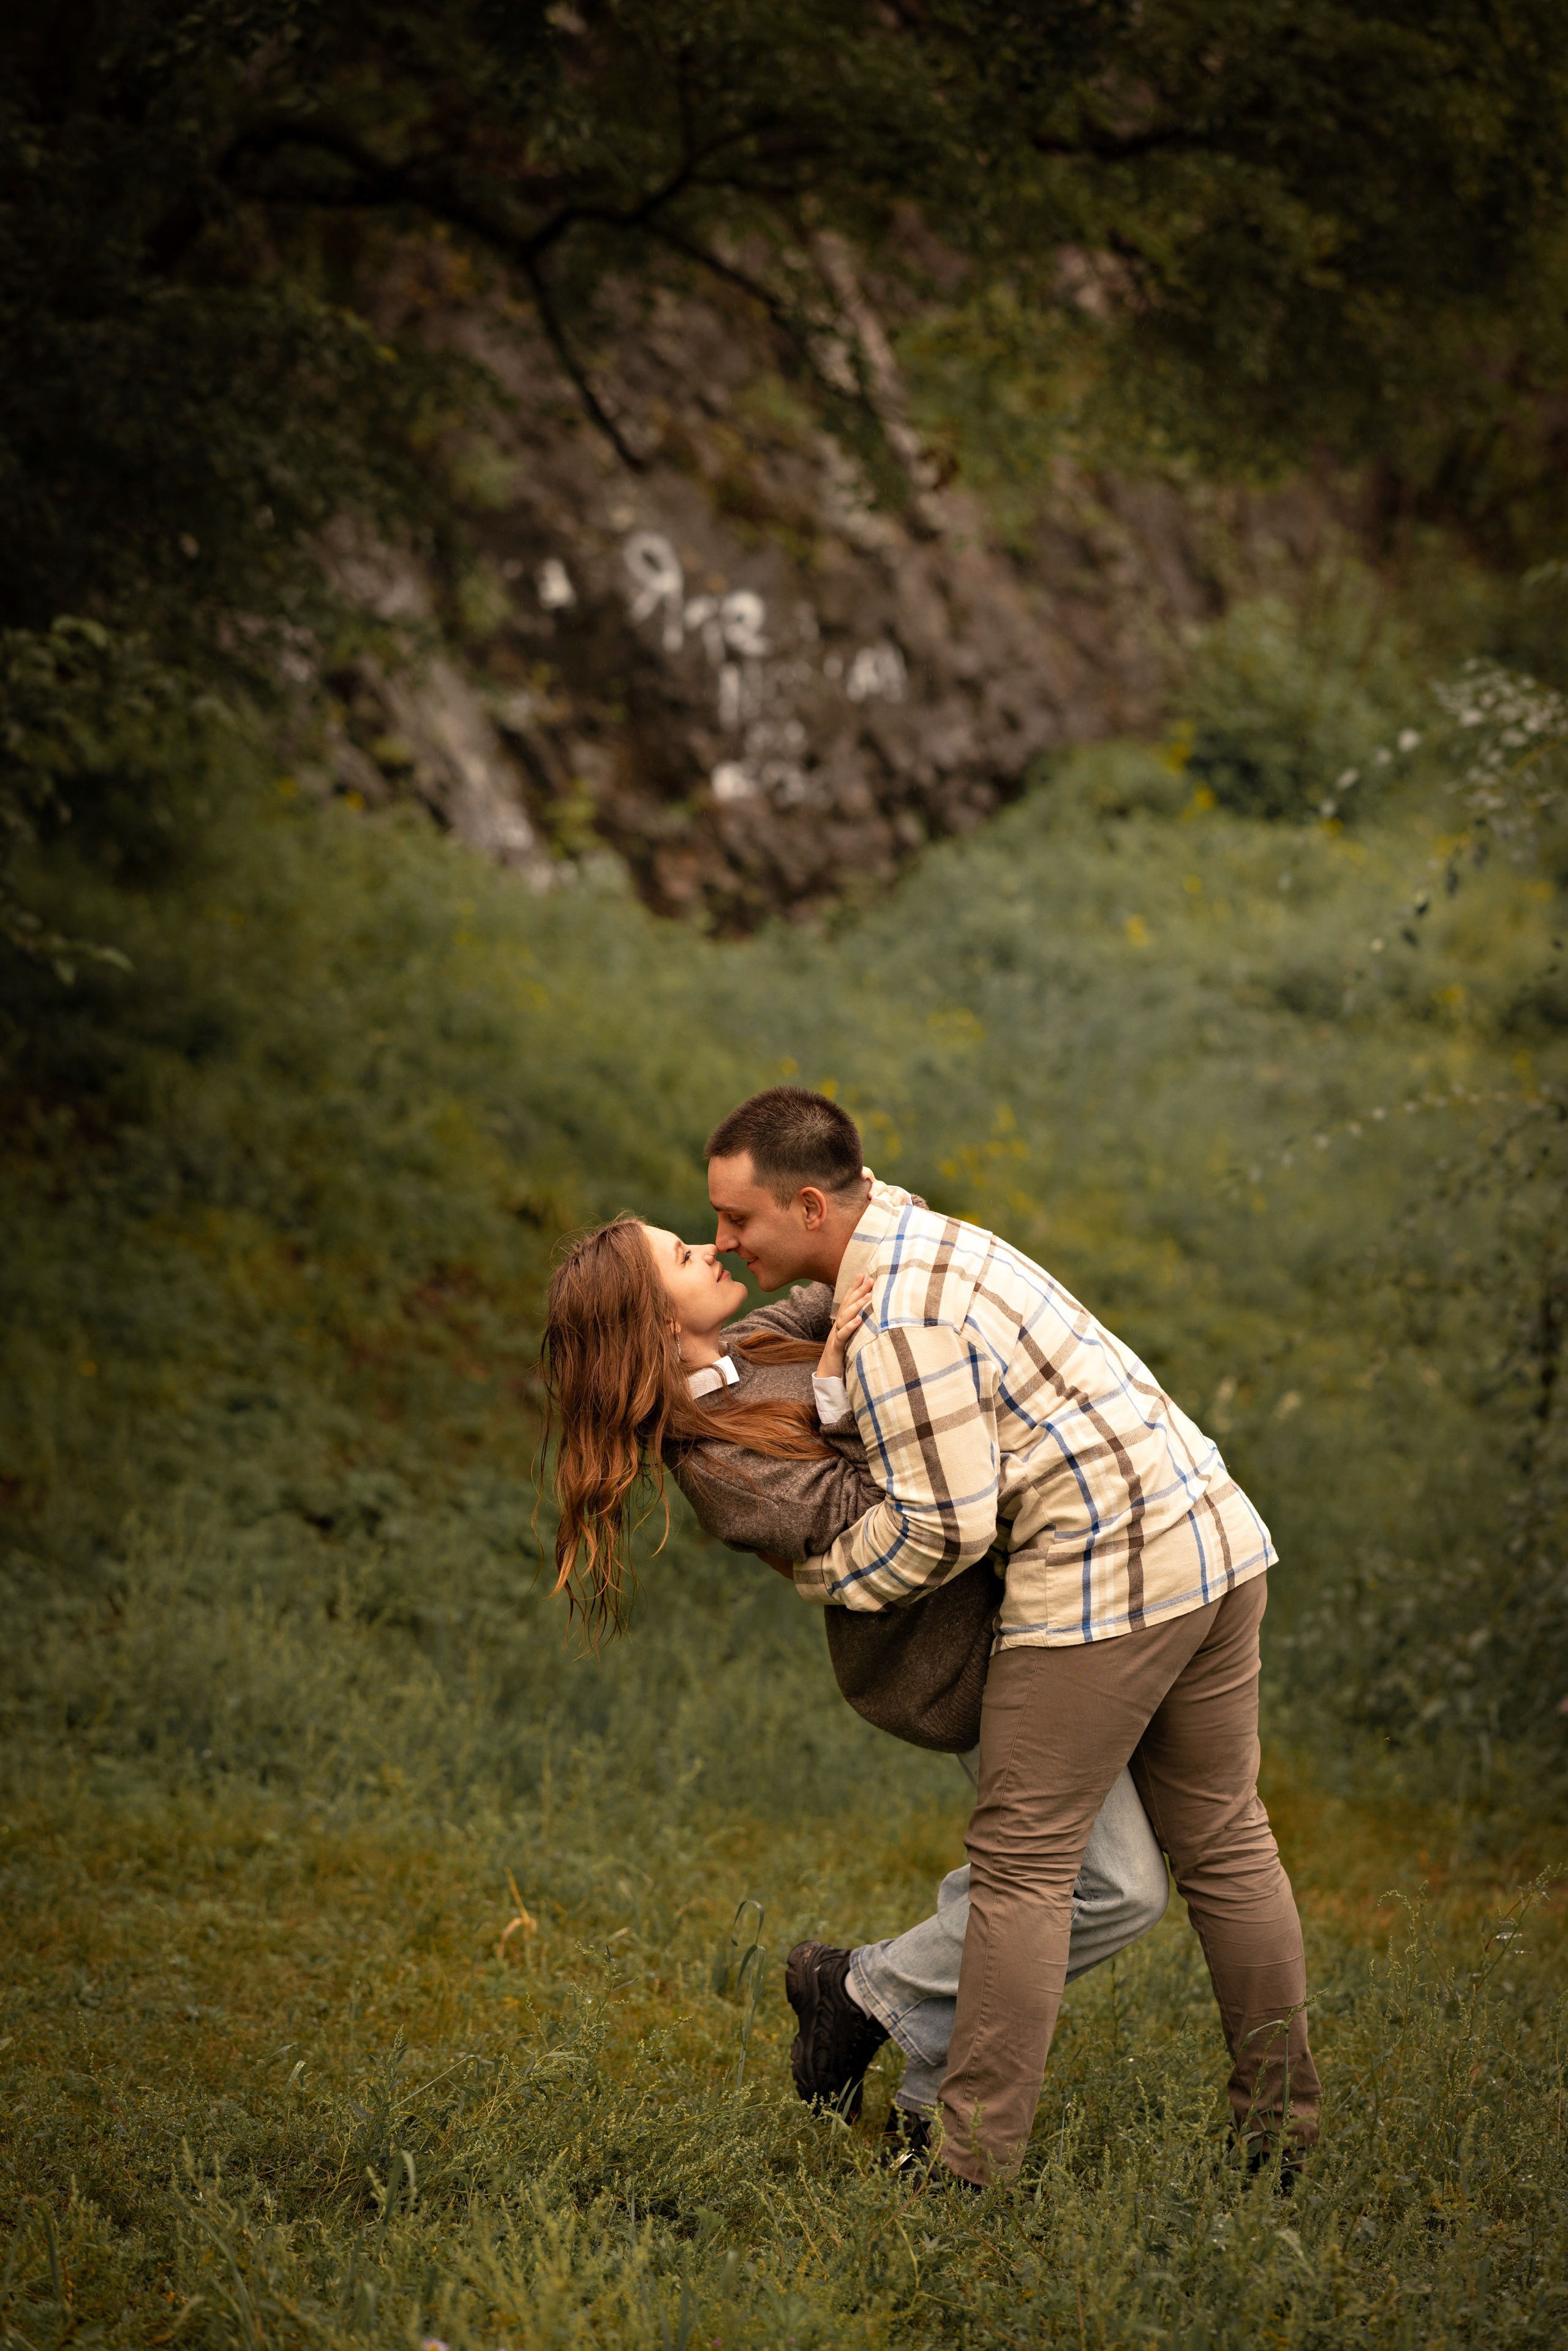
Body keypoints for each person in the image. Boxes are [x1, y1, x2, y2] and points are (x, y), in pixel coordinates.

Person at [703, 1085, 1320, 2190]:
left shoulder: (897, 1315)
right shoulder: (926, 1236)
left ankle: (967, 2168)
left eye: (738, 1221)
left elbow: (944, 1527)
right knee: (1229, 1846)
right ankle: (1281, 2139)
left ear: (806, 1204)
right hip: (1219, 1538)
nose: (725, 1242)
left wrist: (832, 1579)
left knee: (1027, 1874)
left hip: (1109, 1585)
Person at [541, 1212, 1169, 2157]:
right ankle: (871, 2003)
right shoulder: (717, 1466)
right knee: (1113, 1886)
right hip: (964, 1659)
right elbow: (885, 1506)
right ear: (660, 1325)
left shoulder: (755, 1341)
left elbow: (851, 1267)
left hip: (1039, 1614)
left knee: (1077, 1885)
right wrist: (839, 1374)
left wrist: (821, 1209)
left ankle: (892, 2045)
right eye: (685, 1254)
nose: (713, 1249)